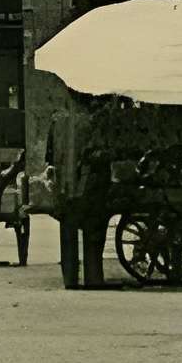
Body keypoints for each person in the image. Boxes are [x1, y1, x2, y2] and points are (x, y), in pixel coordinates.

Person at [44, 91, 121, 291]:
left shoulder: (57, 121)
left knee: (68, 233)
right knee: (94, 234)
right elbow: (102, 152)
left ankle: (69, 279)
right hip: (90, 187)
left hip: (64, 187)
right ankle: (93, 278)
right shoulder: (94, 122)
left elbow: (49, 156)